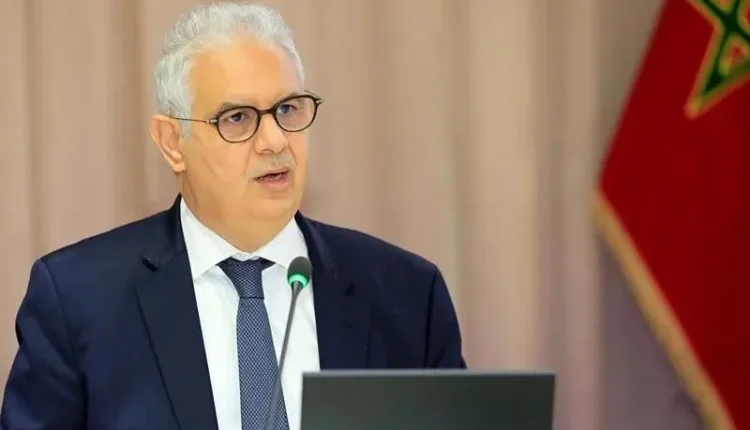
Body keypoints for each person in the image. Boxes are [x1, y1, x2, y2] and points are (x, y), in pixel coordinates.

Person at [0, 2, 465, 430]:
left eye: (287, 109)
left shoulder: (406, 295)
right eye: (238, 118)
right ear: (172, 143)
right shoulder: (79, 301)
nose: (275, 141)